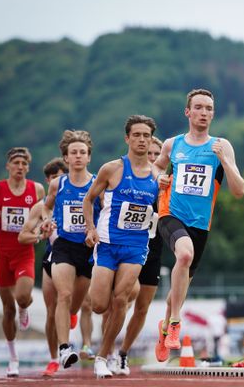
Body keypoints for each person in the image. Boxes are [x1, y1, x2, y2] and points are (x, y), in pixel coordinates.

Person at [152, 89, 244, 361]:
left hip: (200, 225)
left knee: (177, 291)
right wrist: (160, 178)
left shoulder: (221, 146)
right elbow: (156, 167)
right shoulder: (172, 144)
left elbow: (239, 190)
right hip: (170, 214)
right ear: (188, 112)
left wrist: (225, 161)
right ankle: (176, 324)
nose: (204, 113)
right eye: (199, 107)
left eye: (209, 108)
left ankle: (166, 324)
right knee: (184, 254)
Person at [83, 115, 159, 378]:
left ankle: (103, 356)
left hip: (136, 247)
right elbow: (89, 199)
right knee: (99, 305)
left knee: (121, 300)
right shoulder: (112, 169)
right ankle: (103, 348)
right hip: (107, 244)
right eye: (136, 135)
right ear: (127, 138)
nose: (141, 139)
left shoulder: (158, 176)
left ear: (151, 140)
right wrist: (90, 228)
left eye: (146, 135)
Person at [0, 147, 45, 377]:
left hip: (25, 251)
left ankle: (24, 308)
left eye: (24, 164)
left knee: (22, 297)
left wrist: (42, 228)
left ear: (28, 167)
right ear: (8, 166)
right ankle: (13, 357)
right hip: (3, 253)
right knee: (7, 309)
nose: (20, 167)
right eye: (16, 163)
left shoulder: (36, 190)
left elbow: (45, 217)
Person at [100, 136, 164, 375]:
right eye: (150, 153)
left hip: (153, 248)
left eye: (158, 155)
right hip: (126, 246)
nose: (154, 158)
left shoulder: (162, 182)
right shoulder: (129, 178)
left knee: (143, 307)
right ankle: (105, 353)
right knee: (119, 301)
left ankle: (123, 353)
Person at [42, 130, 102, 370]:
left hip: (88, 249)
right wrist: (47, 221)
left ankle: (69, 318)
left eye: (82, 153)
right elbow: (46, 207)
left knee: (76, 305)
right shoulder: (58, 184)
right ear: (66, 158)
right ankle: (65, 348)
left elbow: (107, 212)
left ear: (89, 157)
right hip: (64, 246)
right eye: (73, 153)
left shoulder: (98, 183)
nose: (78, 156)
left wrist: (94, 230)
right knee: (63, 296)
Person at [17, 157, 68, 377]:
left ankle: (71, 313)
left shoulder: (80, 198)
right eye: (54, 178)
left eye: (61, 178)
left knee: (78, 303)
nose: (58, 182)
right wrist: (40, 234)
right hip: (52, 257)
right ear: (48, 181)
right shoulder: (41, 206)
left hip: (79, 258)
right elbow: (23, 235)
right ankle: (54, 358)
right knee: (51, 311)